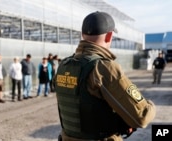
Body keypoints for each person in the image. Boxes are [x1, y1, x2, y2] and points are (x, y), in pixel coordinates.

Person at [54, 11, 156, 141]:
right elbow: (142, 117)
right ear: (109, 36)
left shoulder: (64, 65)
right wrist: (151, 106)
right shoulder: (104, 67)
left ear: (82, 34)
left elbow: (84, 104)